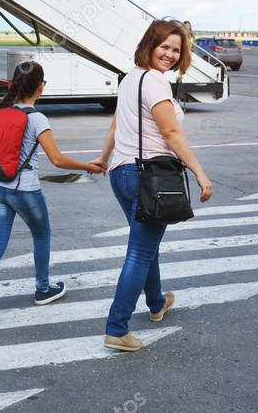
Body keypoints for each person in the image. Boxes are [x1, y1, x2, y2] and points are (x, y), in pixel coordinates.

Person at [92, 19, 214, 352]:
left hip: (122, 173)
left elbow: (117, 124)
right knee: (140, 251)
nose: (171, 54)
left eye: (176, 49)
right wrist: (200, 173)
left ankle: (157, 302)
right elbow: (171, 133)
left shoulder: (130, 78)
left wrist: (104, 160)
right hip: (148, 176)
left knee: (145, 244)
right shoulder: (156, 82)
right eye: (165, 47)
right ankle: (117, 329)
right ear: (150, 44)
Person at [0, 61, 104, 325]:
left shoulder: (3, 112)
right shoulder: (37, 118)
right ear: (41, 87)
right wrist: (89, 167)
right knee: (42, 235)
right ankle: (43, 289)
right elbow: (58, 160)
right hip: (25, 191)